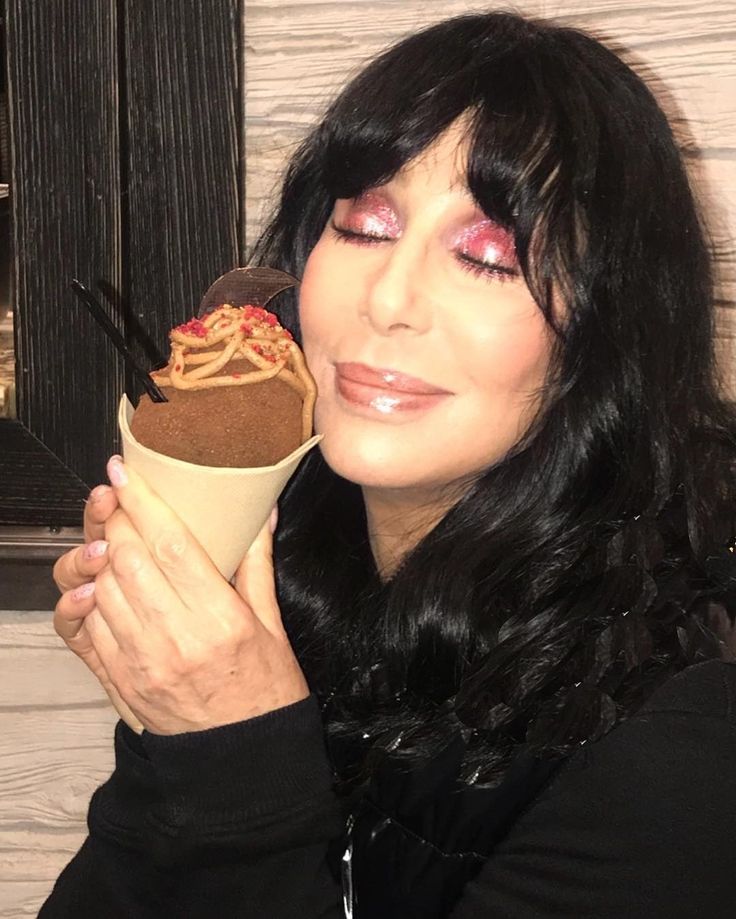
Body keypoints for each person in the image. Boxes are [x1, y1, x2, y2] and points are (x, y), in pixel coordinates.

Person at [42, 10, 736, 919]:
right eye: (365, 227)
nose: (390, 299)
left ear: (611, 328)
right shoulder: (302, 561)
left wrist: (234, 762)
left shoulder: (681, 740)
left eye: (488, 256)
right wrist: (169, 711)